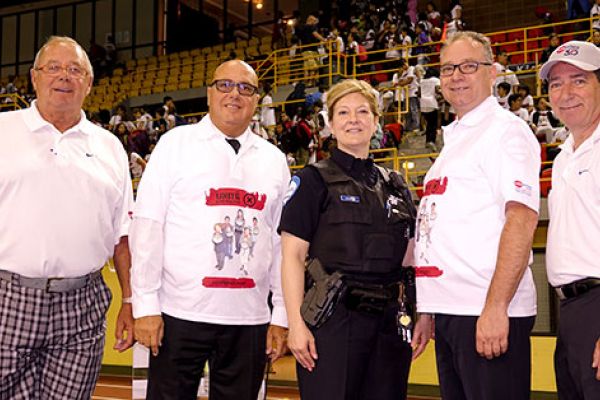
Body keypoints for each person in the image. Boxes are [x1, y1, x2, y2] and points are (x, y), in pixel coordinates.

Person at [130, 59, 290, 400]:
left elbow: (280, 244)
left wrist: (281, 314)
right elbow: (147, 225)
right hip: (179, 313)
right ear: (209, 93)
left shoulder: (274, 159)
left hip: (249, 318)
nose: (235, 94)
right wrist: (145, 305)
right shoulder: (175, 144)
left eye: (246, 88)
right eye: (225, 85)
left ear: (257, 99)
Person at [279, 79, 432, 400]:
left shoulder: (397, 185)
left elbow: (412, 258)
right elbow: (292, 256)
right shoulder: (311, 181)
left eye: (363, 111)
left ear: (376, 121)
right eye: (344, 112)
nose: (354, 119)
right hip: (334, 320)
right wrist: (295, 324)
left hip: (391, 323)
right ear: (330, 124)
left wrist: (423, 313)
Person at [0, 36, 134, 399]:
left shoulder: (110, 147)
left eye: (76, 70)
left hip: (83, 303)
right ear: (34, 77)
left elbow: (123, 235)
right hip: (8, 299)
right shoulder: (2, 131)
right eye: (54, 68)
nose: (64, 76)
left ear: (89, 83)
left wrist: (130, 301)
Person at [415, 31, 540, 400]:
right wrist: (429, 308)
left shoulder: (505, 132)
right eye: (449, 68)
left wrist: (496, 306)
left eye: (468, 66)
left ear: (493, 71)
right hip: (452, 312)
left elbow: (521, 219)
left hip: (485, 311)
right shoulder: (455, 141)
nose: (456, 76)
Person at [540, 40, 600, 400]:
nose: (565, 93)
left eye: (578, 80)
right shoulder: (564, 154)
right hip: (572, 310)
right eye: (556, 84)